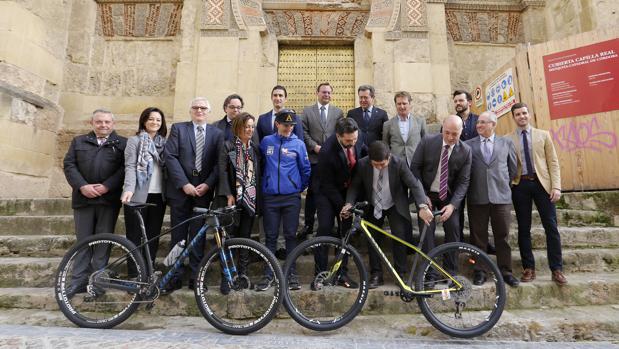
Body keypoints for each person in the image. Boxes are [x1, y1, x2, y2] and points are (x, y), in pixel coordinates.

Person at [342, 141, 433, 288]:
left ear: (389, 158)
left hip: (394, 203)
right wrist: (349, 203)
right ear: (369, 160)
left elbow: (414, 184)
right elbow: (354, 186)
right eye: (375, 164)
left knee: (399, 235)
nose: (379, 167)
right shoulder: (362, 164)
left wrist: (422, 205)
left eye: (382, 164)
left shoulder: (399, 163)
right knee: (372, 237)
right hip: (373, 204)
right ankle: (376, 274)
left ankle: (400, 273)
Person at [63, 109, 127, 298]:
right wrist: (82, 186)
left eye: (107, 122)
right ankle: (78, 281)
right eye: (99, 122)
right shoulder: (79, 141)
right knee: (83, 241)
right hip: (83, 199)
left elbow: (125, 169)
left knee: (103, 243)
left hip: (108, 200)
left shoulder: (122, 143)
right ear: (92, 123)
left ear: (113, 123)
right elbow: (69, 165)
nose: (103, 125)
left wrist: (107, 186)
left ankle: (97, 283)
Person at [163, 97, 223, 294]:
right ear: (190, 110)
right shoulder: (179, 129)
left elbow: (218, 163)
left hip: (203, 193)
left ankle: (196, 277)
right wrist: (184, 184)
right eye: (196, 108)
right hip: (181, 192)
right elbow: (170, 157)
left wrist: (207, 184)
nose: (199, 111)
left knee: (198, 237)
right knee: (178, 237)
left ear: (208, 111)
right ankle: (174, 276)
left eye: (203, 108)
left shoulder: (216, 133)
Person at [507, 102, 567, 286]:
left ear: (529, 115)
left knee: (551, 227)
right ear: (514, 117)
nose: (522, 116)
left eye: (524, 113)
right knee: (523, 228)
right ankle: (528, 268)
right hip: (520, 185)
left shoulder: (544, 135)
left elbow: (553, 163)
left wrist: (556, 187)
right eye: (518, 114)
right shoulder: (508, 139)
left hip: (543, 185)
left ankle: (556, 269)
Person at [257, 109, 311, 291]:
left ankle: (292, 274)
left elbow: (305, 170)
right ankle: (268, 274)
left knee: (290, 236)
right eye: (285, 125)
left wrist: (296, 187)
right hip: (270, 198)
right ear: (277, 124)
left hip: (291, 198)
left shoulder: (299, 144)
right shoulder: (266, 142)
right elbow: (261, 165)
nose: (288, 128)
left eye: (291, 125)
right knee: (270, 237)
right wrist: (267, 185)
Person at [464, 111, 519, 287]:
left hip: (501, 197)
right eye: (478, 122)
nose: (478, 125)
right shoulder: (468, 145)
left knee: (502, 237)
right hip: (477, 198)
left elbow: (512, 169)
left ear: (493, 124)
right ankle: (479, 271)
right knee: (478, 237)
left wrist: (502, 185)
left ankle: (506, 271)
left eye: (482, 122)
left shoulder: (506, 143)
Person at [314, 118, 366, 288]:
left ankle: (341, 273)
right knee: (325, 229)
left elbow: (363, 156)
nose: (352, 143)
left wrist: (349, 204)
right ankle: (320, 273)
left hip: (347, 192)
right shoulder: (327, 151)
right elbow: (327, 185)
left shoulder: (357, 138)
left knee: (346, 232)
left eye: (355, 140)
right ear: (338, 136)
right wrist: (342, 207)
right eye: (348, 141)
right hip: (326, 193)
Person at [410, 115, 472, 258]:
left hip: (448, 197)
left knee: (454, 228)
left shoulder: (466, 150)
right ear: (442, 128)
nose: (450, 137)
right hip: (426, 194)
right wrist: (421, 197)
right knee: (426, 229)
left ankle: (451, 272)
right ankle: (429, 272)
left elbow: (464, 181)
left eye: (455, 134)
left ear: (461, 132)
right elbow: (414, 169)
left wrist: (453, 206)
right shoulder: (427, 141)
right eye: (447, 132)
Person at [120, 107, 168, 274]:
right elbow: (131, 166)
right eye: (151, 119)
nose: (154, 122)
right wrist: (128, 189)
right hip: (137, 195)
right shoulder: (134, 141)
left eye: (158, 120)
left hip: (158, 196)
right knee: (134, 236)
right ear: (144, 121)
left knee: (153, 235)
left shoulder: (165, 143)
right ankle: (134, 272)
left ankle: (148, 268)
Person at [218, 112, 261, 288]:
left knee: (245, 239)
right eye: (246, 126)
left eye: (252, 126)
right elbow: (221, 172)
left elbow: (258, 175)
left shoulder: (254, 149)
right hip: (231, 201)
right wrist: (228, 194)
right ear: (238, 127)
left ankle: (242, 276)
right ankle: (226, 279)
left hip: (249, 202)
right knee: (227, 240)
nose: (250, 129)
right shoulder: (227, 146)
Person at [300, 82, 344, 240]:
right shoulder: (307, 111)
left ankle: (331, 225)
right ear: (317, 93)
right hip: (314, 160)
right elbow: (303, 131)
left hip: (331, 160)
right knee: (312, 193)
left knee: (331, 191)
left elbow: (340, 132)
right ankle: (309, 225)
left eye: (329, 92)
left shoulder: (338, 112)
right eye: (323, 92)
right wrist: (314, 146)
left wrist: (328, 148)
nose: (326, 95)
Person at [452, 90, 480, 245]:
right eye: (455, 101)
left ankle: (479, 242)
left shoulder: (479, 120)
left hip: (476, 171)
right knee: (457, 208)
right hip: (457, 172)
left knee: (477, 210)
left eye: (460, 100)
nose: (458, 103)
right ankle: (459, 241)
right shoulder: (450, 121)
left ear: (469, 102)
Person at [383, 91, 427, 166]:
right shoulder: (387, 124)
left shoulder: (420, 121)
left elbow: (425, 142)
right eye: (399, 104)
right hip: (396, 163)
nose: (402, 106)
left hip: (415, 162)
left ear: (409, 104)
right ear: (395, 105)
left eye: (404, 103)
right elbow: (385, 145)